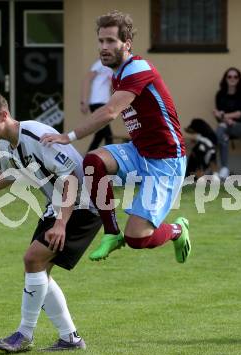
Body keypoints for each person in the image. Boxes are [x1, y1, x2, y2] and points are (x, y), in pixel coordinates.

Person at [0, 91, 102, 353]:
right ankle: (69, 338)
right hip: (60, 206)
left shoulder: (36, 136)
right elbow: (9, 174)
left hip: (84, 204)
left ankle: (24, 334)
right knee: (36, 269)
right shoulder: (6, 142)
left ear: (4, 115)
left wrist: (61, 223)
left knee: (33, 260)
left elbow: (72, 178)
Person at [41, 11, 191, 263]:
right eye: (101, 41)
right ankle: (111, 233)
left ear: (127, 44)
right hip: (138, 150)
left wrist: (69, 136)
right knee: (94, 162)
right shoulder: (116, 75)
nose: (104, 47)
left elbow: (110, 112)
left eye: (111, 41)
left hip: (165, 160)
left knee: (138, 239)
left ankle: (178, 230)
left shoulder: (139, 68)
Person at [213, 67, 241, 178]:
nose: (232, 78)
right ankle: (224, 168)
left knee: (220, 130)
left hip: (240, 126)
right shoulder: (220, 94)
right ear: (225, 78)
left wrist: (223, 116)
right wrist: (225, 119)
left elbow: (240, 113)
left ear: (239, 79)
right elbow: (218, 116)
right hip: (224, 126)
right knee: (222, 134)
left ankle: (216, 169)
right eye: (229, 76)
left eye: (235, 76)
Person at [81, 59, 114, 150]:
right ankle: (112, 160)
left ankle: (87, 159)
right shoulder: (99, 64)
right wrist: (84, 101)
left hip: (105, 104)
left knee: (100, 135)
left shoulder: (112, 68)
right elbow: (87, 80)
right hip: (96, 102)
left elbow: (112, 88)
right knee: (108, 135)